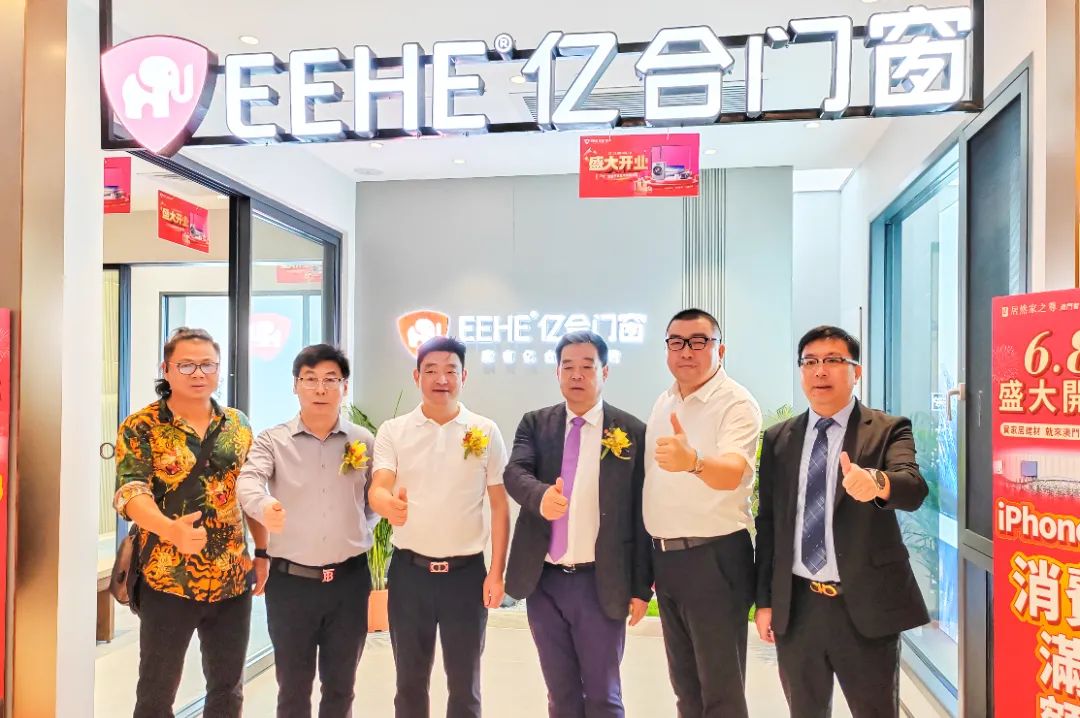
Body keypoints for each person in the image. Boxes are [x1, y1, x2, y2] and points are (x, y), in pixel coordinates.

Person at [754, 326, 929, 718]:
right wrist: (765, 602)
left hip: (864, 606)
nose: (820, 371)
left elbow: (913, 487)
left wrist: (877, 483)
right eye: (810, 362)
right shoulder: (779, 438)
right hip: (798, 607)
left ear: (856, 371)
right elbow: (768, 525)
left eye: (834, 360)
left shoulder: (887, 429)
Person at [504, 330, 652, 718]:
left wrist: (641, 588)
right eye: (567, 366)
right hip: (544, 582)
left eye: (587, 366)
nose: (577, 374)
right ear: (557, 373)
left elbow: (642, 517)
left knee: (604, 695)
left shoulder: (631, 432)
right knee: (561, 695)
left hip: (600, 582)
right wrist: (541, 497)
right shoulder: (535, 424)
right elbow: (515, 473)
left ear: (605, 371)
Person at [114, 327, 258, 718]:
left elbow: (248, 490)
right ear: (166, 369)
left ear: (219, 369)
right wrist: (170, 529)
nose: (198, 373)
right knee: (156, 694)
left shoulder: (237, 424)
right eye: (187, 365)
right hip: (167, 579)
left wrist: (262, 552)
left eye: (207, 365)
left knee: (228, 690)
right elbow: (130, 491)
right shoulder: (142, 425)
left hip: (232, 578)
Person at [369, 336, 510, 718]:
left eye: (450, 370)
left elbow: (499, 506)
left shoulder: (485, 430)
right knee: (409, 685)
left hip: (466, 576)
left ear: (464, 376)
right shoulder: (394, 430)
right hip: (409, 575)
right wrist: (386, 503)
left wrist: (496, 572)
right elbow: (379, 486)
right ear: (417, 376)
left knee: (465, 687)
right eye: (431, 370)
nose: (441, 379)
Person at [236, 344, 378, 718]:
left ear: (344, 386)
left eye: (330, 379)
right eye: (310, 379)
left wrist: (357, 528)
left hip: (349, 583)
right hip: (291, 586)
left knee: (341, 688)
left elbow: (373, 500)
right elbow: (248, 481)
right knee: (293, 690)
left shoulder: (362, 441)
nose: (320, 389)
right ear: (295, 385)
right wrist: (264, 506)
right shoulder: (272, 440)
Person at [643, 308, 762, 718]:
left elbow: (732, 473)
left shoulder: (736, 403)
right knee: (686, 690)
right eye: (676, 342)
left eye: (699, 342)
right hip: (668, 560)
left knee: (721, 692)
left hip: (714, 558)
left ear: (720, 350)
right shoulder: (665, 401)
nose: (686, 351)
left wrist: (693, 462)